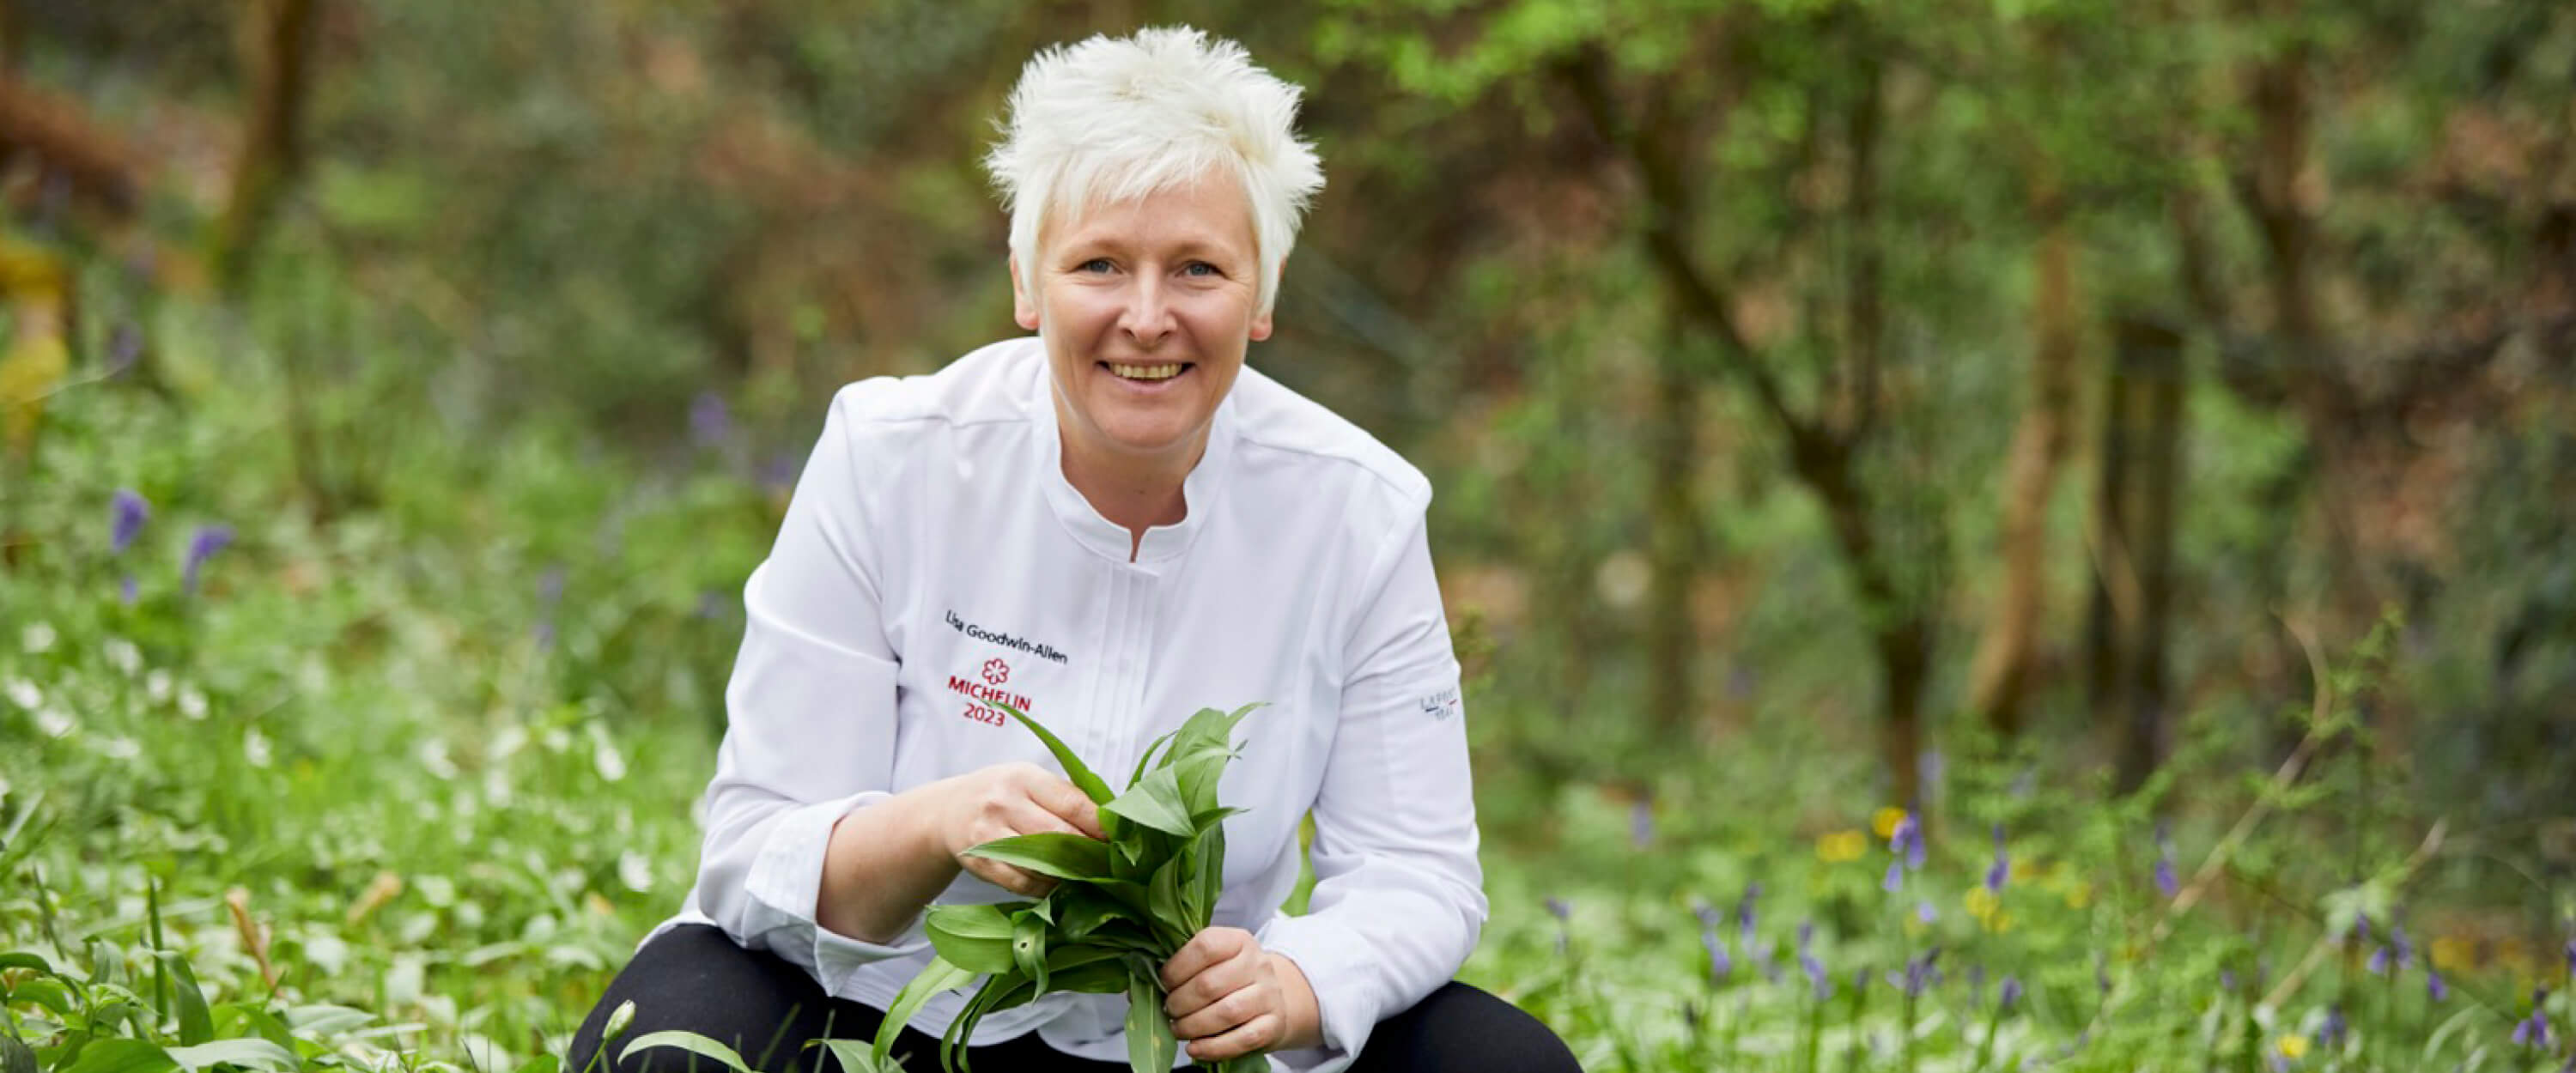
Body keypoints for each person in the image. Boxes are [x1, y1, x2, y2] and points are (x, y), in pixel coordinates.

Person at [568, 27, 1578, 1073]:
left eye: (1198, 267)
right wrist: (939, 823)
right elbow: (752, 850)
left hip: (1181, 1042)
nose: (1148, 317)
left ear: (1263, 295)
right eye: (1100, 263)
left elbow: (1418, 871)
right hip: (885, 1010)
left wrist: (1296, 981)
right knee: (670, 1047)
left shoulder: (1355, 512)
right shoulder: (893, 455)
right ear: (1027, 281)